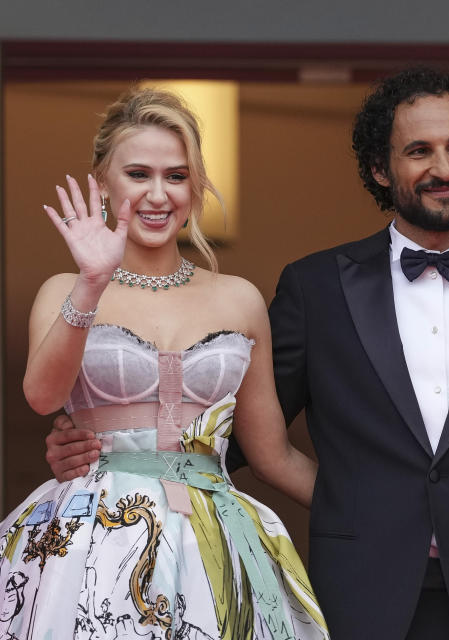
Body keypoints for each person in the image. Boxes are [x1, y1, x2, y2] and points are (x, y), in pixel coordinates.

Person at [44, 68, 449, 640]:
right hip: (362, 596)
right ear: (379, 169)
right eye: (419, 151)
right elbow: (233, 429)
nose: (443, 168)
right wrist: (104, 442)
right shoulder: (316, 289)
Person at [5, 88, 329, 639]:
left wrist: (384, 513)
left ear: (196, 185)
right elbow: (42, 395)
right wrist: (91, 283)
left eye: (177, 176)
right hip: (92, 539)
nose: (158, 194)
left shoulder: (240, 299)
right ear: (103, 181)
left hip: (216, 543)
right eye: (138, 174)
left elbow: (273, 455)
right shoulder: (64, 288)